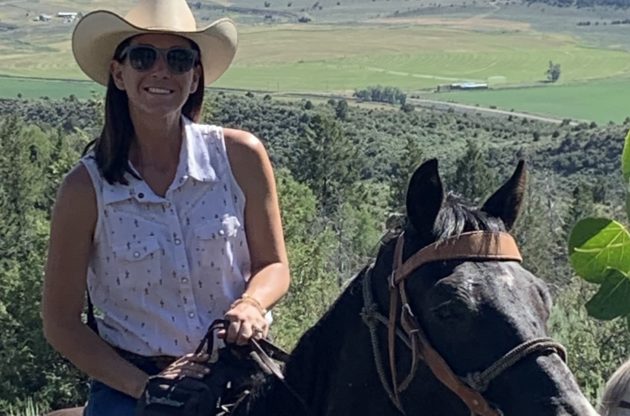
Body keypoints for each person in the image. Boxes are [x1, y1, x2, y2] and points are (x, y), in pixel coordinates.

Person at [41, 1, 291, 414]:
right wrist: (146, 387)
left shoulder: (241, 156)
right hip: (131, 387)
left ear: (195, 78)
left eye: (178, 59)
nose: (161, 70)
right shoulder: (85, 189)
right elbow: (61, 324)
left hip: (238, 370)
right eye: (143, 57)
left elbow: (274, 265)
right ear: (118, 74)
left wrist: (251, 304)